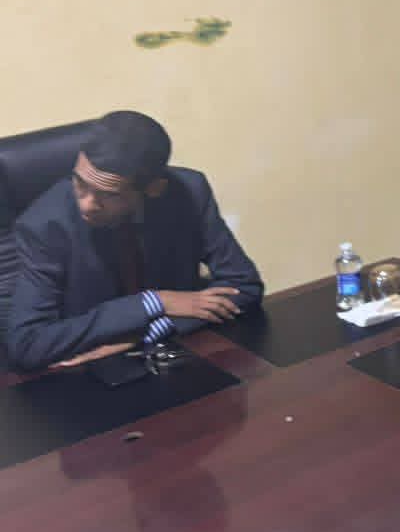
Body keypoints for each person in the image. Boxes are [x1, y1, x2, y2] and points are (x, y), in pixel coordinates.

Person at [7, 111, 263, 372]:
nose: (86, 204)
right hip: (86, 371)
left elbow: (244, 286)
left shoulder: (190, 191)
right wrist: (154, 302)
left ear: (154, 188)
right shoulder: (44, 225)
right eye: (80, 182)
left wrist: (146, 333)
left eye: (109, 194)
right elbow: (26, 345)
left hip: (178, 354)